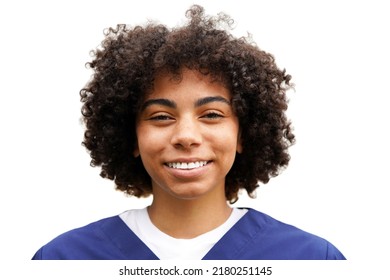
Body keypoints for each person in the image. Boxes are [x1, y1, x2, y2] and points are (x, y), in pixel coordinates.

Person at [32, 5, 345, 260]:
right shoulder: (65, 260)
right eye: (161, 116)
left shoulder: (310, 260)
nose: (186, 135)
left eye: (211, 114)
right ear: (131, 137)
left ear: (244, 133)